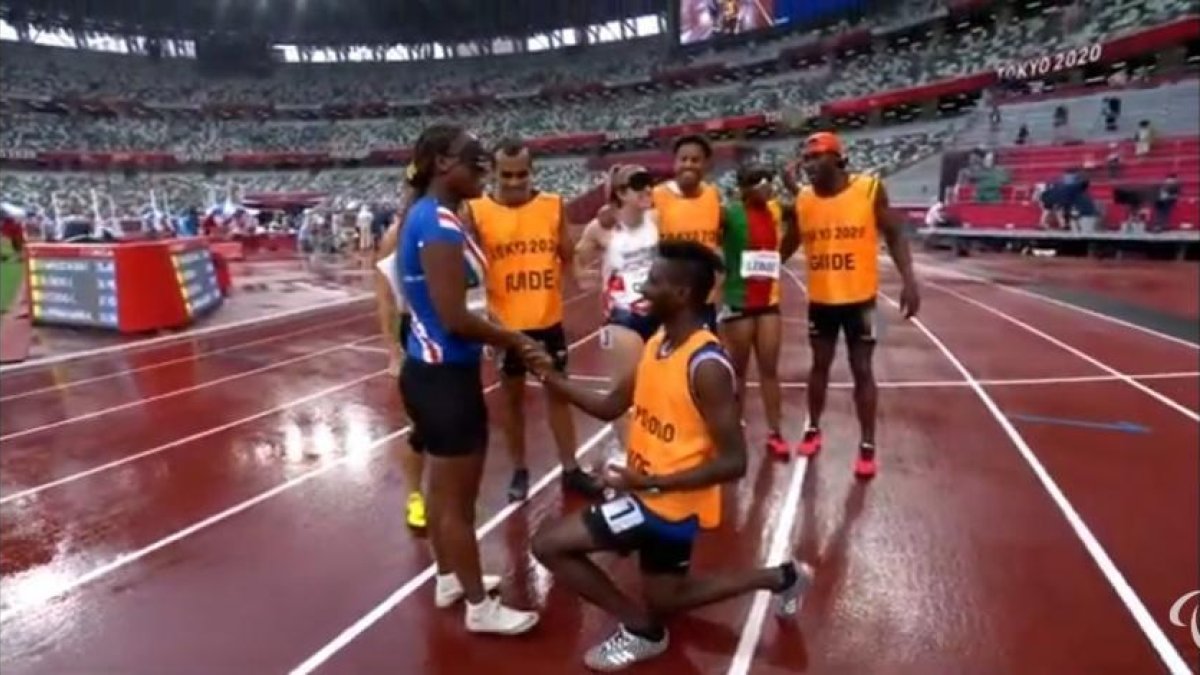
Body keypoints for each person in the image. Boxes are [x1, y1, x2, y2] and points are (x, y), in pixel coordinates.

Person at [529, 240, 811, 671]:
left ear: (681, 294)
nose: (643, 286)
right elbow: (609, 406)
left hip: (669, 507)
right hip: (643, 496)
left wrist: (652, 482)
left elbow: (735, 463)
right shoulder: (658, 343)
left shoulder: (707, 366)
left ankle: (643, 630)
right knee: (668, 597)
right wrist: (550, 377)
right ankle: (781, 577)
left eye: (654, 281)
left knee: (549, 546)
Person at [398, 124, 540, 634]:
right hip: (446, 381)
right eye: (474, 161)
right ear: (441, 163)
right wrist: (517, 341)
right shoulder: (437, 225)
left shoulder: (427, 216)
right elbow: (457, 317)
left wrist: (501, 333)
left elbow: (460, 310)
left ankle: (448, 578)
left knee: (441, 496)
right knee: (457, 503)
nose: (482, 169)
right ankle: (480, 607)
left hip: (430, 373)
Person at [464, 139, 604, 502]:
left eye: (521, 174)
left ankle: (571, 468)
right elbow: (469, 270)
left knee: (559, 394)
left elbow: (567, 255)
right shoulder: (476, 211)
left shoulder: (552, 205)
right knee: (511, 403)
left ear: (532, 172)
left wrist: (583, 275)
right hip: (504, 327)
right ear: (493, 174)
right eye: (506, 175)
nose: (514, 182)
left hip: (547, 320)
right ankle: (519, 470)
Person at [792, 131, 920, 479]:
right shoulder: (803, 199)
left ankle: (867, 446)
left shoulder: (869, 188)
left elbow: (894, 232)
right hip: (821, 301)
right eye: (806, 158)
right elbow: (785, 245)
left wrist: (909, 280)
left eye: (817, 156)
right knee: (818, 366)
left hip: (866, 302)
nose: (810, 164)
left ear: (837, 158)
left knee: (864, 370)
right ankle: (813, 428)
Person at [574, 164, 660, 453]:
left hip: (660, 314)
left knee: (660, 390)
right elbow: (576, 260)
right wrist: (582, 277)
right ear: (621, 192)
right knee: (626, 393)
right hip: (624, 317)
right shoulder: (600, 228)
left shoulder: (657, 219)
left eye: (649, 182)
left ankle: (658, 452)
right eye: (638, 184)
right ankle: (629, 454)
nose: (648, 189)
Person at [718, 164, 800, 458]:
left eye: (770, 179)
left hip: (768, 305)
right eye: (758, 181)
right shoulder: (728, 214)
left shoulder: (777, 209)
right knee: (736, 373)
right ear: (743, 187)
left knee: (769, 370)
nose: (767, 185)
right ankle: (732, 432)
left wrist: (783, 255)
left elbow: (805, 212)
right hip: (739, 303)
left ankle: (775, 433)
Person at [373, 172, 428, 529]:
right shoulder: (397, 235)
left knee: (460, 423)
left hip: (451, 334)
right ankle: (415, 495)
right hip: (415, 331)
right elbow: (385, 300)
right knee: (420, 426)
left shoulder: (452, 221)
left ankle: (447, 492)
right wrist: (393, 350)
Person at [652, 135, 723, 330]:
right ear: (674, 163)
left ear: (706, 164)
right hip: (667, 299)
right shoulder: (656, 196)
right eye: (683, 159)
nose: (688, 165)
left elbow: (721, 239)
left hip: (703, 299)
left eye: (695, 160)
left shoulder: (713, 195)